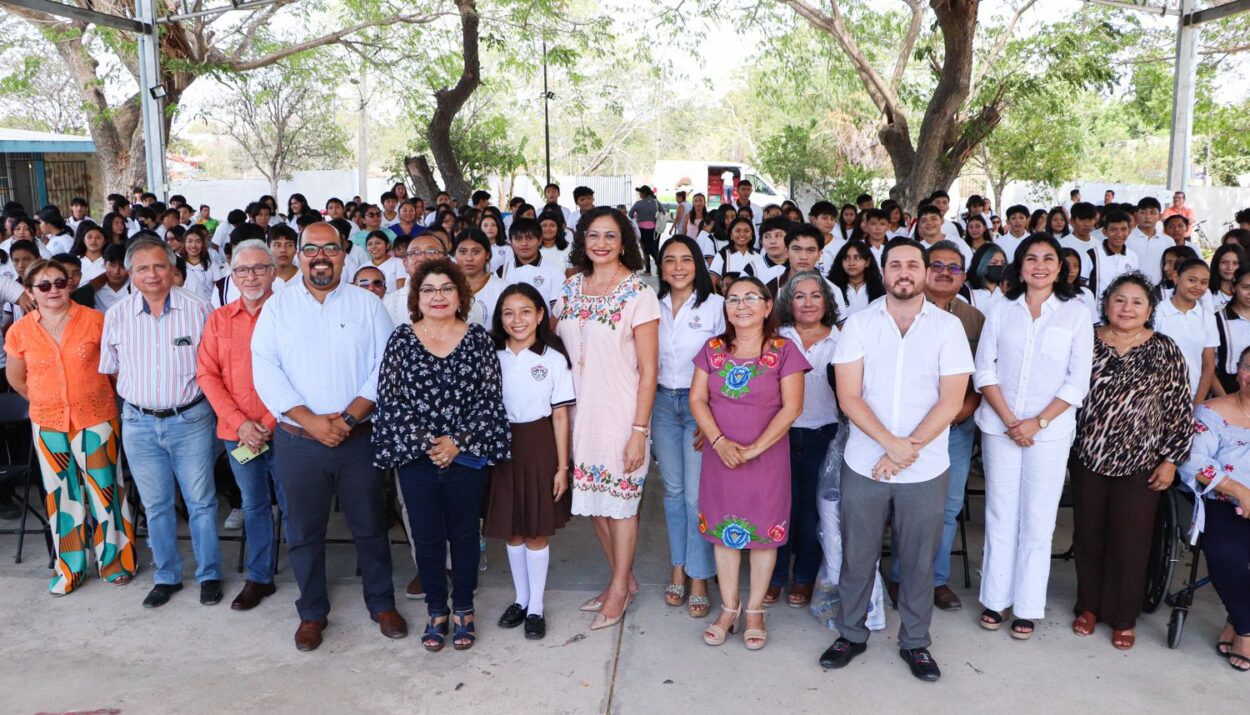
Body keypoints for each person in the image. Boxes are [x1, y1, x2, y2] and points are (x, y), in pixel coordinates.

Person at [822, 237, 974, 682]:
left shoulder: (947, 329)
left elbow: (952, 402)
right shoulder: (860, 324)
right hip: (865, 461)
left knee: (917, 560)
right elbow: (848, 396)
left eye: (912, 264)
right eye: (894, 265)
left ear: (926, 272)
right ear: (883, 272)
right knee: (857, 555)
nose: (903, 272)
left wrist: (906, 451)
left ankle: (916, 642)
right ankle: (851, 633)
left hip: (926, 467)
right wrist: (891, 444)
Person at [251, 222, 404, 652]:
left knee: (370, 526)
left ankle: (381, 604)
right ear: (298, 255)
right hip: (299, 442)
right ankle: (312, 612)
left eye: (330, 249)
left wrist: (350, 419)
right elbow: (266, 370)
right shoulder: (277, 309)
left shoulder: (367, 305)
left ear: (344, 254)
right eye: (311, 249)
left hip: (358, 439)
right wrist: (312, 421)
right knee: (303, 531)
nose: (321, 256)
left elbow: (384, 365)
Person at [373, 257, 510, 652]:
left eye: (446, 288)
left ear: (460, 294)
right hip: (416, 457)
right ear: (417, 296)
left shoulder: (478, 339)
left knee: (466, 534)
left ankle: (464, 608)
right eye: (429, 289)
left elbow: (489, 399)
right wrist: (428, 442)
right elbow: (391, 400)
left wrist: (456, 441)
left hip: (464, 456)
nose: (438, 296)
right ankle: (437, 611)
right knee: (428, 536)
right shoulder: (401, 339)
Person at [973, 234, 1093, 639]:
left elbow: (1078, 382)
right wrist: (1011, 420)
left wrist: (1037, 423)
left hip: (1051, 432)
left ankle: (1026, 605)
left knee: (1039, 518)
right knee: (1001, 512)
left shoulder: (1077, 312)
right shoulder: (1000, 307)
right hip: (1000, 426)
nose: (1039, 265)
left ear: (1061, 267)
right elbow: (984, 369)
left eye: (1048, 258)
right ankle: (995, 599)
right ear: (1019, 266)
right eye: (1031, 258)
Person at [1071, 272, 1192, 650]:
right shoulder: (1084, 340)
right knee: (1089, 536)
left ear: (1150, 309)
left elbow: (1179, 409)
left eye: (1137, 301)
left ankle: (1124, 617)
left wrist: (1171, 460)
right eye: (1119, 299)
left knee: (1132, 541)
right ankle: (1088, 606)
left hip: (1142, 461)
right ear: (1106, 303)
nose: (1127, 308)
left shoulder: (1165, 349)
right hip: (1088, 455)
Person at [98, 236, 220, 609]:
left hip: (191, 420)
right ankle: (167, 576)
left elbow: (213, 368)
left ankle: (209, 574)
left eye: (159, 266)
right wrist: (146, 398)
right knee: (156, 505)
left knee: (201, 502)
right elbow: (112, 371)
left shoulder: (200, 309)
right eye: (142, 268)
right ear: (130, 274)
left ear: (172, 268)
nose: (151, 274)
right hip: (138, 423)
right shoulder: (116, 315)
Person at [554, 207, 659, 630]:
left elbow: (650, 370)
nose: (600, 243)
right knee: (595, 503)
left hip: (620, 414)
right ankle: (624, 579)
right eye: (593, 235)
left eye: (610, 236)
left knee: (620, 506)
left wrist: (639, 431)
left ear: (624, 242)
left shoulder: (638, 293)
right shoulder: (570, 288)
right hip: (579, 414)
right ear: (582, 240)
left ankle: (617, 590)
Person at [689, 275, 807, 651]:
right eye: (733, 299)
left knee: (762, 534)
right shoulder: (712, 348)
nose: (741, 305)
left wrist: (755, 449)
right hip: (719, 455)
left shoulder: (784, 350)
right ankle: (728, 607)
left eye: (750, 298)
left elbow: (793, 407)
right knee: (724, 532)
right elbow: (697, 400)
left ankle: (754, 610)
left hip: (767, 457)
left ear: (768, 306)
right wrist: (720, 441)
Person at [5, 259, 135, 595]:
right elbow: (17, 378)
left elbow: (114, 371)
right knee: (61, 496)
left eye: (59, 283)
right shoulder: (20, 330)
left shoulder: (95, 322)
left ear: (70, 284)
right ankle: (70, 568)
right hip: (48, 422)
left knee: (106, 490)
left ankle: (115, 562)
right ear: (30, 291)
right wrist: (48, 400)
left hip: (96, 417)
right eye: (44, 285)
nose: (53, 291)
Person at [885, 240, 984, 613]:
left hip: (954, 430)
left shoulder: (974, 320)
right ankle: (899, 576)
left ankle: (934, 580)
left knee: (947, 507)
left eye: (953, 267)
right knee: (902, 507)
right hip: (901, 429)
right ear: (925, 271)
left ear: (963, 276)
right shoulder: (894, 313)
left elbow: (984, 378)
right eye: (937, 265)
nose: (944, 272)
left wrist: (960, 411)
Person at [196, 240, 287, 610]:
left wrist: (265, 422)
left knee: (295, 504)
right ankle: (260, 577)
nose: (251, 276)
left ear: (274, 272)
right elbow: (207, 374)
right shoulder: (218, 320)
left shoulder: (289, 315)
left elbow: (299, 373)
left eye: (259, 268)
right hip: (239, 436)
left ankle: (310, 576)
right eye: (242, 270)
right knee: (253, 505)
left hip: (286, 428)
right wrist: (242, 424)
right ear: (230, 276)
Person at [484, 283, 575, 641]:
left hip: (539, 444)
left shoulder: (552, 359)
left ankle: (536, 605)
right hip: (502, 445)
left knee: (536, 529)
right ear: (500, 319)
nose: (517, 319)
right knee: (513, 528)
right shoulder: (492, 355)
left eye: (525, 311)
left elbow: (560, 416)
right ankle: (520, 598)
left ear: (540, 314)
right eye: (508, 313)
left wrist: (562, 467)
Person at [651, 236, 723, 619]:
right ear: (660, 267)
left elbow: (728, 363)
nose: (677, 267)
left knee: (696, 497)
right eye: (669, 260)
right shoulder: (652, 305)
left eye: (685, 260)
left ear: (697, 264)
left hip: (700, 407)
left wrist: (714, 417)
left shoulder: (716, 307)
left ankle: (699, 575)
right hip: (662, 404)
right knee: (673, 493)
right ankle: (678, 565)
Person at [765, 272, 837, 610]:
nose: (808, 303)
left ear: (827, 302)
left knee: (812, 514)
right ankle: (775, 577)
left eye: (815, 296)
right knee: (778, 509)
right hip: (780, 434)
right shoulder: (776, 339)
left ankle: (804, 578)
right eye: (799, 296)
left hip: (825, 435)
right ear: (787, 302)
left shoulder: (844, 340)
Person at [1178, 348, 1250, 672]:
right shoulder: (1211, 412)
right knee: (1226, 554)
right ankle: (1246, 629)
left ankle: (1236, 619)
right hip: (1223, 502)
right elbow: (1193, 462)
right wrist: (1240, 491)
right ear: (1238, 370)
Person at [1155, 258, 1219, 402]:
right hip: (1157, 395)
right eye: (1192, 280)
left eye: (1203, 282)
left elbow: (1208, 365)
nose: (1198, 286)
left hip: (1193, 395)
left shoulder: (1207, 318)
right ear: (1176, 277)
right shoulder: (1156, 312)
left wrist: (1198, 403)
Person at [498, 218, 565, 308]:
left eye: (529, 238)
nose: (524, 243)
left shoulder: (555, 272)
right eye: (518, 239)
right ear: (510, 242)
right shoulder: (501, 271)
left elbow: (557, 313)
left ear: (540, 240)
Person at [384, 234, 444, 328]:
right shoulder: (390, 302)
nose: (423, 258)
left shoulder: (461, 299)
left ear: (446, 260)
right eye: (415, 252)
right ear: (405, 263)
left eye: (431, 251)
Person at [1087, 210, 1138, 300]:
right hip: (1097, 311)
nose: (1119, 234)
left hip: (1122, 310)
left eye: (1123, 229)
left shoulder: (1132, 256)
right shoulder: (1092, 255)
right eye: (1113, 229)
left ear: (1129, 231)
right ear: (1105, 232)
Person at [1215, 267, 1250, 395]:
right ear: (1234, 287)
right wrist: (1223, 398)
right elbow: (1208, 366)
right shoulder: (1218, 319)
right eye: (1246, 287)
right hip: (1227, 387)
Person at [827, 240, 884, 317]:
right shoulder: (832, 287)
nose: (851, 263)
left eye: (856, 258)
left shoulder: (879, 288)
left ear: (867, 262)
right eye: (846, 258)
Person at [629, 185, 664, 275]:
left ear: (644, 193)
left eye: (640, 192)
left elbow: (630, 214)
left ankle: (649, 270)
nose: (639, 194)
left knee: (645, 249)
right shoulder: (656, 202)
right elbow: (663, 212)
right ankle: (660, 266)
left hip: (642, 229)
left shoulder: (638, 203)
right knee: (653, 248)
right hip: (654, 229)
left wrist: (637, 218)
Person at [967, 243, 1009, 311]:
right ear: (982, 264)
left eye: (1003, 263)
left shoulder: (1007, 291)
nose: (999, 266)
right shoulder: (967, 291)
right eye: (994, 263)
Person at [1209, 243, 1245, 311]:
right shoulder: (1207, 293)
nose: (1230, 267)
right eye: (1224, 262)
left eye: (1235, 263)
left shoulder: (1246, 292)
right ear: (1216, 264)